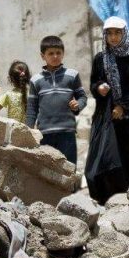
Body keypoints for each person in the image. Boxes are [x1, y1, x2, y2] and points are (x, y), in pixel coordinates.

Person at [85, 16, 129, 205]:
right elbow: (93, 84)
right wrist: (99, 88)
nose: (113, 37)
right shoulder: (100, 58)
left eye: (117, 33)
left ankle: (125, 194)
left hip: (124, 115)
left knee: (123, 154)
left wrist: (123, 106)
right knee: (100, 154)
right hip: (103, 113)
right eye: (109, 33)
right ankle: (103, 197)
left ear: (124, 34)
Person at [26, 36, 87, 165]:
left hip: (67, 132)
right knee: (48, 169)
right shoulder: (35, 80)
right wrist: (29, 130)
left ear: (63, 53)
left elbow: (82, 97)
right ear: (43, 56)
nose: (55, 56)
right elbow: (32, 108)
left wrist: (78, 105)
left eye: (58, 53)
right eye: (51, 53)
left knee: (69, 168)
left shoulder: (72, 75)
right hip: (44, 133)